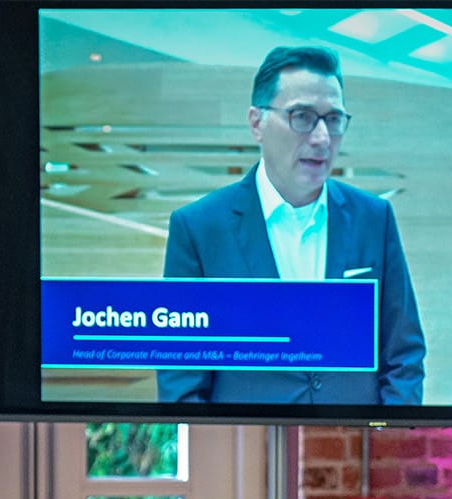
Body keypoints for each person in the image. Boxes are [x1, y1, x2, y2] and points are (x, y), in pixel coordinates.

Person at [158, 45, 425, 406]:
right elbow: (182, 381)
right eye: (302, 116)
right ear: (257, 123)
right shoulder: (200, 228)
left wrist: (386, 440)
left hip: (357, 450)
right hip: (247, 453)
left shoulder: (373, 218)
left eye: (333, 119)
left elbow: (403, 356)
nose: (321, 138)